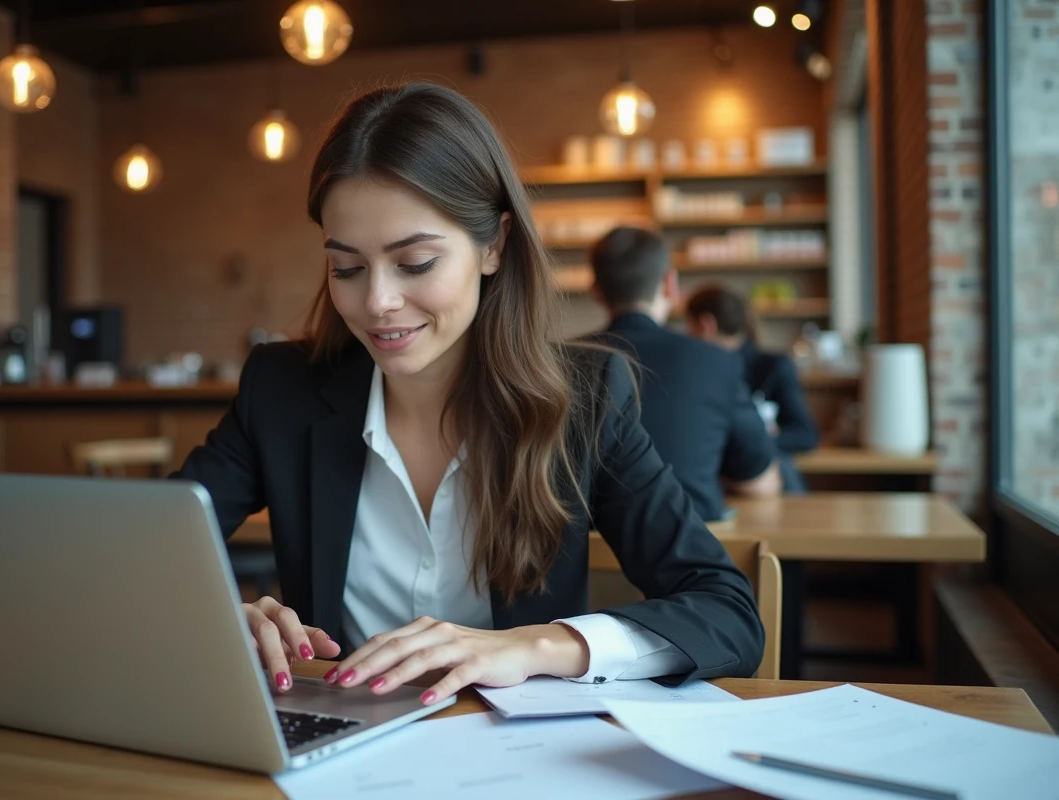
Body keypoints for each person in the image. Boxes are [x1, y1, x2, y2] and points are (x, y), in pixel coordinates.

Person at [173, 83, 762, 709]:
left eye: (417, 262)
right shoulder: (281, 389)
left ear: (493, 245)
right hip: (338, 751)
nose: (377, 302)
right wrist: (219, 616)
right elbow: (132, 555)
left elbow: (726, 613)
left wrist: (534, 646)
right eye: (346, 268)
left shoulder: (586, 400)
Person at [587, 227, 782, 523]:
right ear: (670, 284)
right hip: (685, 560)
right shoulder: (715, 361)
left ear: (596, 291)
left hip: (580, 561)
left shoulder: (559, 362)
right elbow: (759, 483)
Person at [684, 284, 819, 493]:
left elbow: (805, 435)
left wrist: (756, 441)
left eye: (688, 327)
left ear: (705, 325)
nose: (687, 336)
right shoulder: (698, 371)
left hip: (761, 474)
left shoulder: (773, 367)